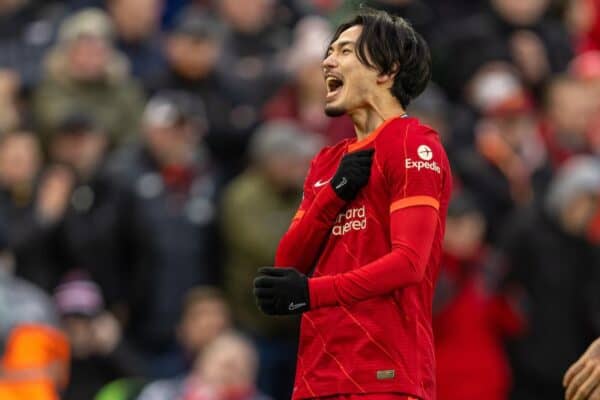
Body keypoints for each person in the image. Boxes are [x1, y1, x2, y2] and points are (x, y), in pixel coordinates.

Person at [253, 10, 452, 400]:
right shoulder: (327, 163)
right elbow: (289, 261)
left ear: (386, 70)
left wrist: (312, 293)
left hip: (387, 374)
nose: (328, 61)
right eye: (329, 52)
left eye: (345, 51)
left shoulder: (415, 144)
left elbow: (409, 264)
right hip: (317, 375)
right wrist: (334, 195)